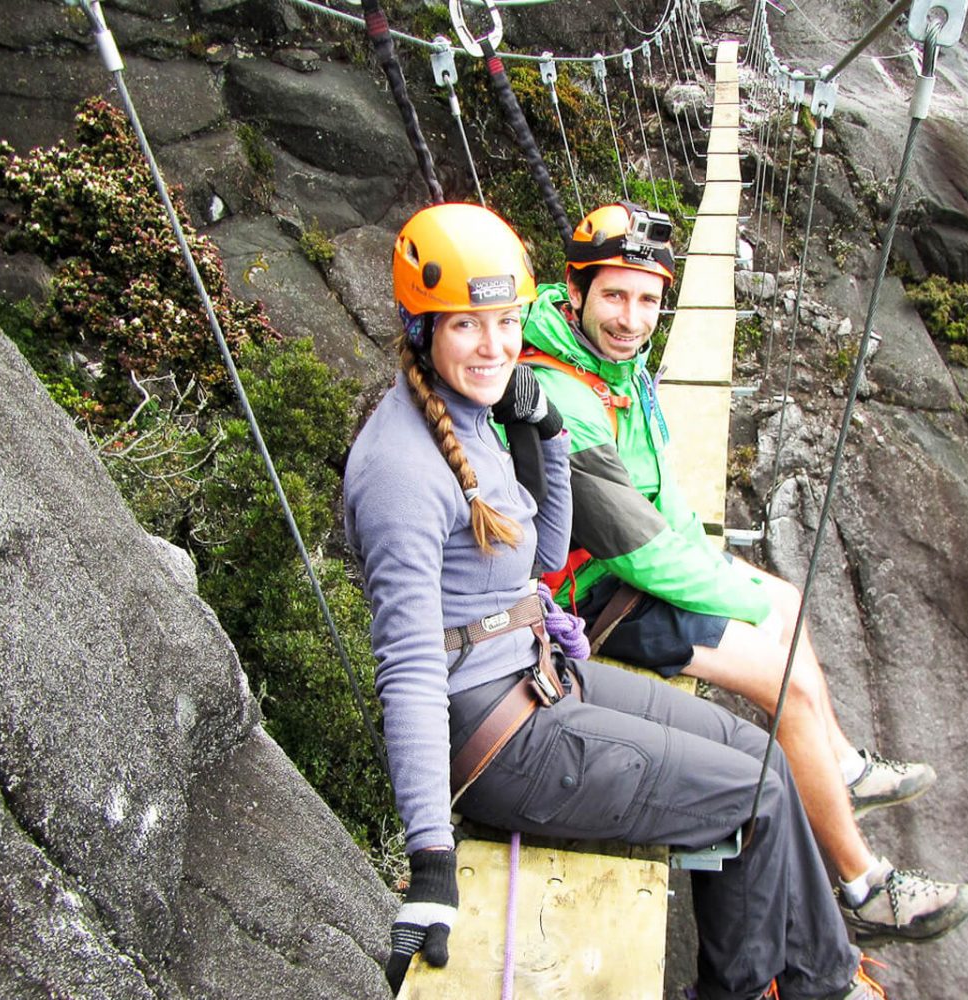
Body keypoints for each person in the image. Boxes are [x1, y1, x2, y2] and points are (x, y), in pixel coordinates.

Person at [344, 202, 885, 999]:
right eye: (465, 325)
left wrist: (548, 435)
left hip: (538, 676)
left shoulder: (480, 411)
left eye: (505, 321)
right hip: (497, 738)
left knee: (765, 760)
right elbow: (410, 669)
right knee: (757, 799)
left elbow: (544, 558)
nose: (494, 346)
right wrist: (430, 860)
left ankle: (822, 978)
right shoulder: (401, 470)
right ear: (422, 329)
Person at [519, 201, 968, 941]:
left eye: (648, 300)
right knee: (784, 680)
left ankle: (842, 768)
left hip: (629, 567)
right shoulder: (563, 393)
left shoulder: (612, 363)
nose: (632, 318)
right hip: (595, 599)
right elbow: (637, 549)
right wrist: (739, 595)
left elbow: (661, 494)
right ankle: (865, 886)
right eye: (615, 296)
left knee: (787, 599)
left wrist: (734, 579)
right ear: (575, 291)